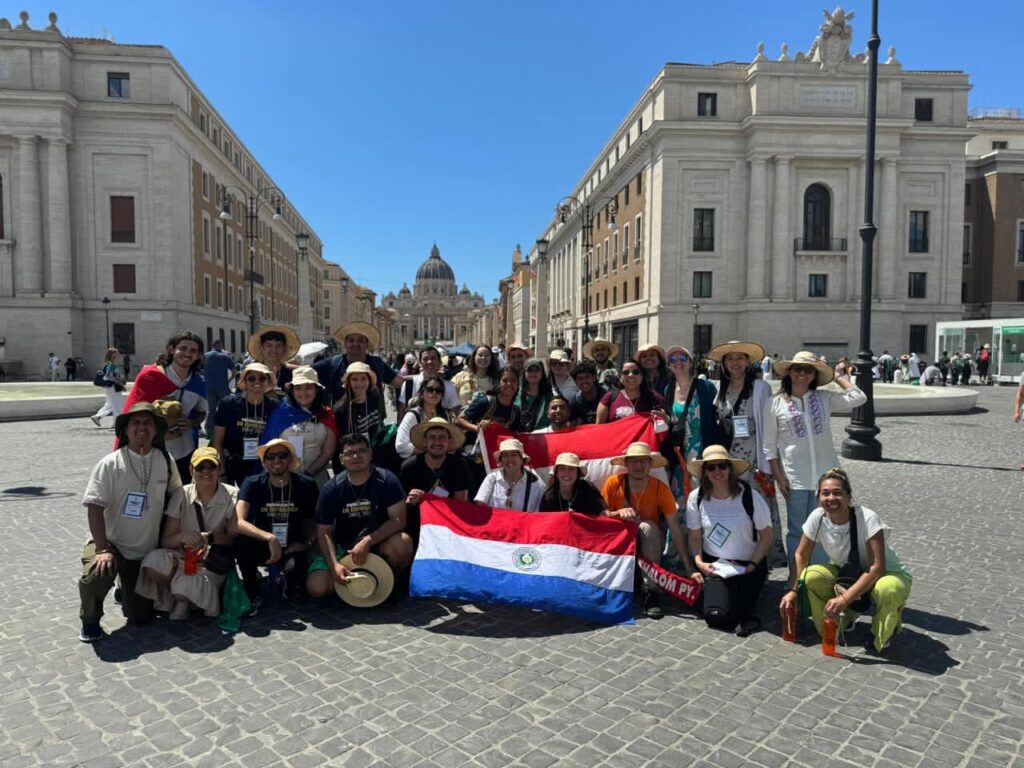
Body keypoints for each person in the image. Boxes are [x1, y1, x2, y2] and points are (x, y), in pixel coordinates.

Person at [77, 403, 184, 642]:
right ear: (125, 430)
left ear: (156, 429)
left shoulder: (165, 461)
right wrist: (102, 549)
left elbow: (177, 495)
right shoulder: (110, 463)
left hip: (145, 550)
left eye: (148, 423)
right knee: (96, 573)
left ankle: (124, 587)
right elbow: (94, 507)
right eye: (136, 422)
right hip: (111, 543)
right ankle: (90, 620)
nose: (142, 427)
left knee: (141, 617)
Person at [780, 467, 912, 654]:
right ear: (818, 497)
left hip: (887, 574)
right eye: (825, 493)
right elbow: (801, 555)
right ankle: (843, 621)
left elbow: (877, 567)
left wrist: (844, 598)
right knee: (810, 577)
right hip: (849, 573)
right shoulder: (817, 517)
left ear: (849, 496)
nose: (831, 498)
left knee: (888, 589)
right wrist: (794, 590)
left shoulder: (867, 518)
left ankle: (886, 629)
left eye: (837, 493)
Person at [763, 350, 867, 578]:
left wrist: (837, 375)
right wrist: (779, 477)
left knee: (824, 527)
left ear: (814, 375)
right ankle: (796, 578)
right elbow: (769, 446)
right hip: (795, 477)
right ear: (789, 372)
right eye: (797, 369)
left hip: (826, 477)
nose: (802, 374)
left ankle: (820, 578)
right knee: (797, 530)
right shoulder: (775, 403)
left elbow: (859, 397)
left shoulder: (824, 398)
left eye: (808, 370)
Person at [707, 340, 786, 569]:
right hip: (729, 461)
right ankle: (737, 555)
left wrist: (769, 464)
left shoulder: (760, 388)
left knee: (759, 510)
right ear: (724, 364)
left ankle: (762, 562)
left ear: (748, 362)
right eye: (730, 359)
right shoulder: (720, 390)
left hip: (755, 459)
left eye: (740, 358)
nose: (735, 363)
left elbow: (769, 428)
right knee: (735, 508)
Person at [135, 447, 240, 620]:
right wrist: (182, 537)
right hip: (185, 557)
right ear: (191, 470)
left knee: (188, 580)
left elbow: (234, 539)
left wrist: (210, 538)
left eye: (211, 467)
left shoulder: (232, 495)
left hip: (211, 561)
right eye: (200, 467)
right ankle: (186, 596)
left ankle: (183, 600)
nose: (206, 472)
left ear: (219, 469)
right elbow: (167, 541)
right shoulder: (181, 494)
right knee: (152, 561)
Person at [307, 433, 413, 599]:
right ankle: (357, 586)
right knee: (317, 588)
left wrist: (368, 540)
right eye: (350, 453)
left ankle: (391, 584)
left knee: (403, 543)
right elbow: (324, 531)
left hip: (378, 543)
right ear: (341, 459)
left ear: (370, 454)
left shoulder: (387, 480)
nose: (356, 456)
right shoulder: (331, 488)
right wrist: (334, 565)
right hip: (343, 547)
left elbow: (399, 520)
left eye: (362, 451)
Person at [601, 442, 696, 619]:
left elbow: (675, 528)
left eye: (643, 461)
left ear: (650, 464)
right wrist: (618, 513)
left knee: (648, 527)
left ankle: (651, 591)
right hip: (620, 541)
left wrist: (688, 566)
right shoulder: (614, 483)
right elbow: (601, 516)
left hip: (649, 543)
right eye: (633, 461)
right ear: (626, 464)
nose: (638, 466)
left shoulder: (660, 488)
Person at [686, 445, 773, 636]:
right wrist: (699, 563)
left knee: (738, 613)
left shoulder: (749, 495)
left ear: (729, 468)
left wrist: (752, 565)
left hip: (747, 565)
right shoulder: (696, 497)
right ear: (704, 472)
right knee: (716, 615)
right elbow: (694, 536)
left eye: (722, 466)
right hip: (715, 565)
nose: (717, 471)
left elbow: (767, 536)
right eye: (711, 467)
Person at [235, 439, 319, 604]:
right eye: (271, 457)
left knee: (296, 586)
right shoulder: (252, 483)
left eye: (282, 455)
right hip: (262, 543)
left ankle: (289, 583)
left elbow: (321, 521)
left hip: (293, 545)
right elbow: (238, 521)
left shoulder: (306, 485)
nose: (276, 460)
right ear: (264, 462)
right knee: (242, 542)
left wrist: (307, 543)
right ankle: (251, 591)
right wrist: (269, 538)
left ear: (290, 459)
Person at [662, 345, 718, 517]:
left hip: (702, 451)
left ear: (691, 362)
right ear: (668, 365)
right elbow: (674, 421)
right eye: (673, 359)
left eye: (683, 358)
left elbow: (715, 418)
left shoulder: (706, 387)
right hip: (679, 454)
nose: (678, 362)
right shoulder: (668, 389)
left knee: (704, 497)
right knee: (681, 498)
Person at [261, 366, 339, 486]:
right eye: (298, 388)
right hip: (284, 481)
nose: (303, 392)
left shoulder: (326, 414)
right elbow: (268, 449)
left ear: (316, 390)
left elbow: (328, 452)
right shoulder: (280, 413)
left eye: (308, 388)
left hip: (317, 481)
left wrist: (307, 475)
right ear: (292, 390)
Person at [400, 418, 470, 542]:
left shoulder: (459, 465)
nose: (437, 442)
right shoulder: (409, 467)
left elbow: (461, 505)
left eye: (442, 437)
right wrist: (410, 502)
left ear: (449, 441)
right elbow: (401, 505)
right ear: (425, 441)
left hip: (450, 525)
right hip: (419, 526)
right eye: (432, 437)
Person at [213, 362, 279, 486]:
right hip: (232, 463)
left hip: (261, 465)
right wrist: (221, 471)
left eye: (262, 378)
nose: (257, 381)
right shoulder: (228, 404)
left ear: (267, 382)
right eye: (252, 378)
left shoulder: (274, 407)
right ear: (245, 381)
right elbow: (217, 441)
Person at [313, 321, 404, 404]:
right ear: (345, 344)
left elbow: (401, 383)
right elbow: (306, 373)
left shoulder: (377, 363)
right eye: (351, 340)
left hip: (373, 417)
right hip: (339, 416)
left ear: (367, 344)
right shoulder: (333, 363)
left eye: (360, 341)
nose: (355, 343)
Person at [475, 438, 544, 511]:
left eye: (514, 455)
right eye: (505, 455)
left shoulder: (536, 484)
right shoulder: (491, 479)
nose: (509, 459)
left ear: (522, 460)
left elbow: (538, 514)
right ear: (501, 461)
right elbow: (480, 507)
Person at [396, 373, 453, 459]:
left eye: (438, 390)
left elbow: (450, 443)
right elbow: (401, 446)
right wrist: (430, 450)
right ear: (422, 393)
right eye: (430, 389)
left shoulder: (445, 415)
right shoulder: (413, 415)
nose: (434, 393)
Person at [397, 346, 462, 421]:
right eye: (425, 359)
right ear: (420, 363)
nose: (429, 362)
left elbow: (457, 412)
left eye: (433, 358)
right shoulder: (409, 385)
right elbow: (401, 412)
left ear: (440, 362)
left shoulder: (449, 387)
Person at [456, 366, 524, 436]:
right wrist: (478, 428)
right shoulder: (485, 402)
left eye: (513, 380)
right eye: (505, 380)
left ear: (518, 384)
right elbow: (459, 420)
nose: (509, 384)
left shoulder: (515, 411)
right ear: (498, 383)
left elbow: (515, 434)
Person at [596, 359, 666, 424]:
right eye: (626, 372)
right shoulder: (609, 398)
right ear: (620, 377)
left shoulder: (655, 398)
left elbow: (666, 423)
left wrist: (665, 419)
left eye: (635, 372)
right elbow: (599, 427)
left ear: (642, 376)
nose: (631, 375)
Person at [538, 452, 606, 515]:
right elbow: (545, 521)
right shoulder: (549, 497)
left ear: (577, 473)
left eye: (571, 468)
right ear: (557, 473)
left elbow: (603, 514)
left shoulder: (588, 488)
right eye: (562, 468)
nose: (567, 473)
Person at [247, 325, 300, 391]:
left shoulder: (294, 375)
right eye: (269, 346)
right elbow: (239, 395)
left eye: (278, 346)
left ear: (284, 348)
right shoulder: (251, 374)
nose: (274, 350)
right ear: (261, 347)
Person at [203, 339, 235, 438]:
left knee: (211, 410)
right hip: (222, 387)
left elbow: (198, 370)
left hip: (209, 386)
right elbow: (234, 372)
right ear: (221, 345)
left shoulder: (205, 356)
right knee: (226, 408)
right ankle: (227, 429)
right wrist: (229, 381)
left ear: (212, 345)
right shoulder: (225, 356)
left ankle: (209, 431)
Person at [90, 348, 127, 427]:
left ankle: (98, 416)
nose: (118, 354)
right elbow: (109, 376)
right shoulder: (111, 364)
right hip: (112, 387)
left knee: (110, 404)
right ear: (112, 355)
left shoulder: (109, 364)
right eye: (116, 353)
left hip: (110, 387)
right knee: (117, 404)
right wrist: (119, 383)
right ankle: (117, 423)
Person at [517, 358, 553, 432]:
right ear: (524, 373)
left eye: (537, 370)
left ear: (542, 373)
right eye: (530, 370)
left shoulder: (549, 396)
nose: (533, 373)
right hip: (519, 434)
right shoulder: (516, 394)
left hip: (542, 435)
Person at [568, 361, 606, 425]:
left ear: (594, 377)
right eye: (580, 378)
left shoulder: (607, 396)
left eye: (587, 377)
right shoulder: (574, 403)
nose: (584, 381)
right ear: (575, 382)